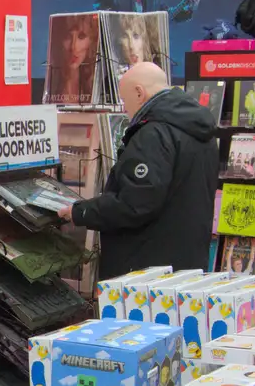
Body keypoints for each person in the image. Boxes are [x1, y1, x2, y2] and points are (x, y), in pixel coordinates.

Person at [59, 62, 219, 277]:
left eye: (124, 100)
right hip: (186, 261)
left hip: (148, 269)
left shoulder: (153, 134)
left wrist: (81, 212)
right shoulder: (198, 129)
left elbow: (136, 203)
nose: (124, 109)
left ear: (139, 93)